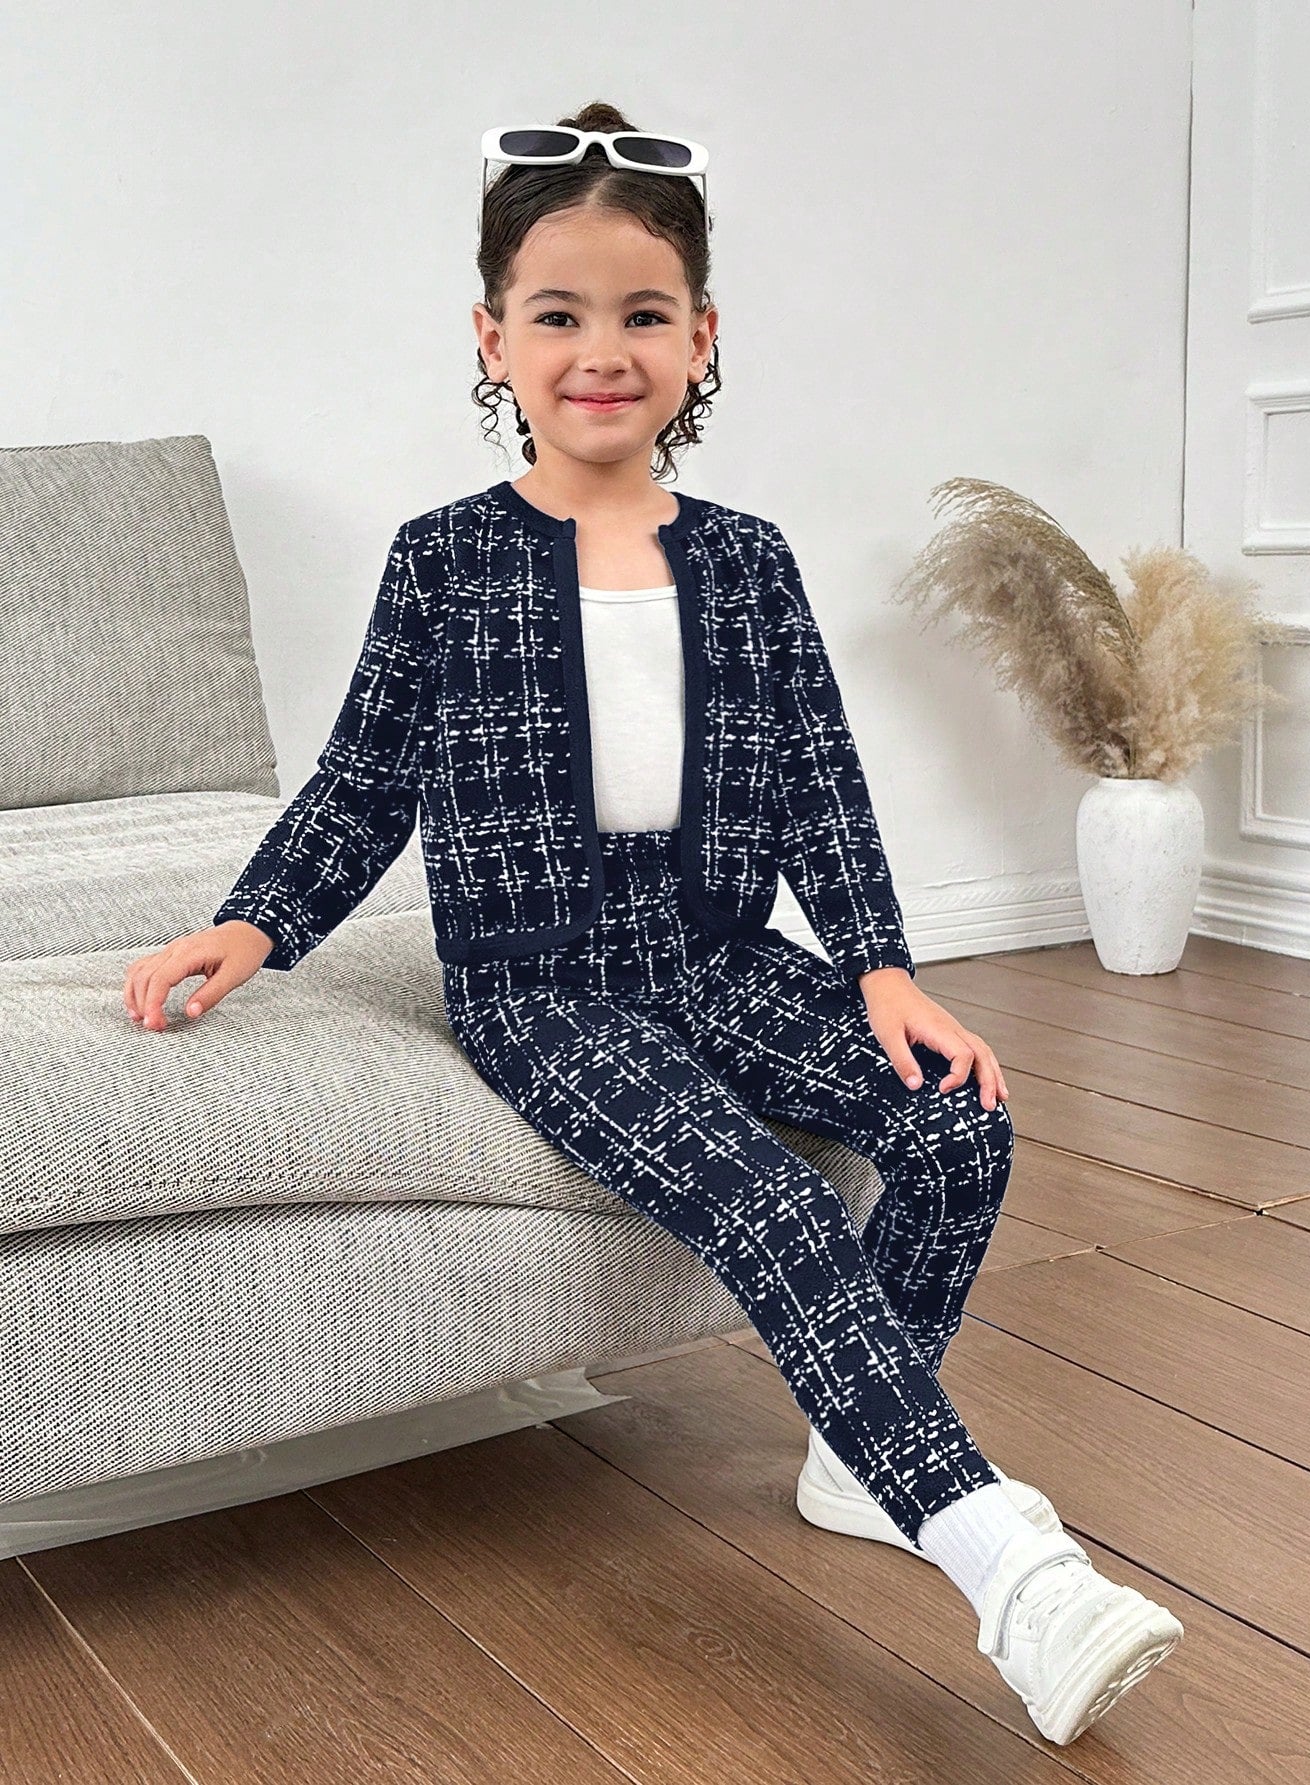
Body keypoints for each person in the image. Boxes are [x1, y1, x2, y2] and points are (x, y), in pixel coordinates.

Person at [122, 100, 1183, 1746]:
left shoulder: (750, 564)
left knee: (961, 1122)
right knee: (768, 1198)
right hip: (543, 987)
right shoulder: (444, 563)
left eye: (642, 313)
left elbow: (822, 782)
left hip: (719, 953)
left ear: (702, 336)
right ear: (494, 337)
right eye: (558, 314)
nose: (601, 351)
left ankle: (864, 1454)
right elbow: (362, 782)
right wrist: (249, 927)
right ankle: (1003, 1558)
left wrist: (882, 968)